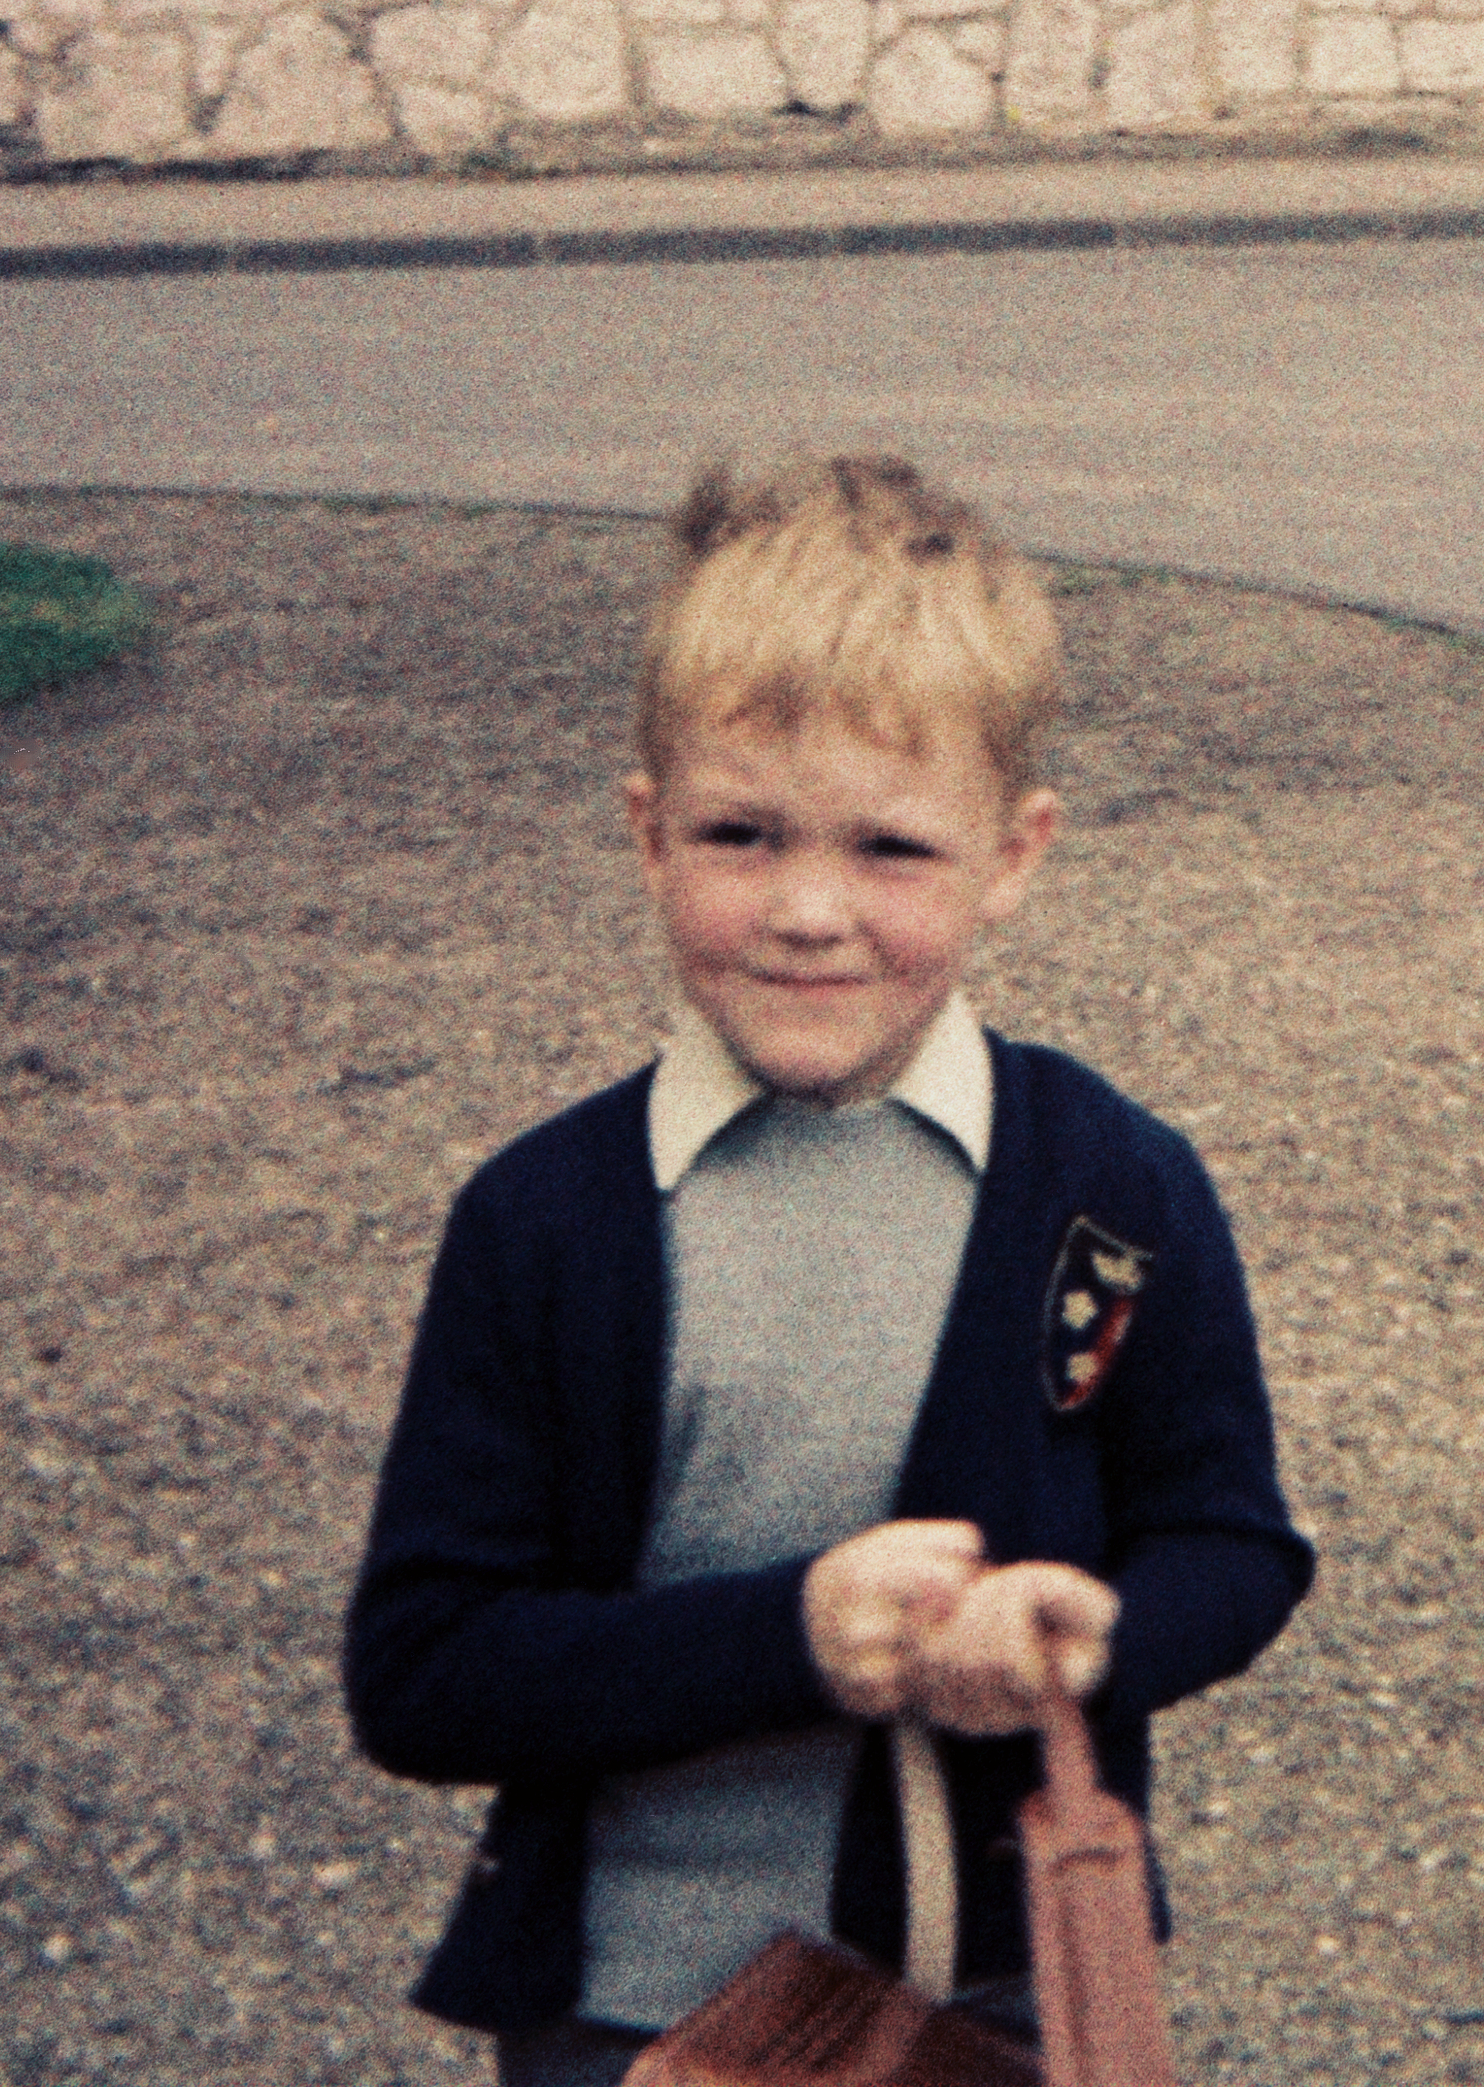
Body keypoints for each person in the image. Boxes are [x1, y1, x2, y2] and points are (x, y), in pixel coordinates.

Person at [344, 456, 1312, 2083]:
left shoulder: (1110, 1187)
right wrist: (786, 1634)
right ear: (647, 833)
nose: (808, 910)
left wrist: (1089, 1628)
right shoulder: (544, 1219)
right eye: (742, 832)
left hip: (982, 2004)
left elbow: (1230, 1541)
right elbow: (426, 1670)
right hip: (623, 2019)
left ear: (1012, 855)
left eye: (891, 849)